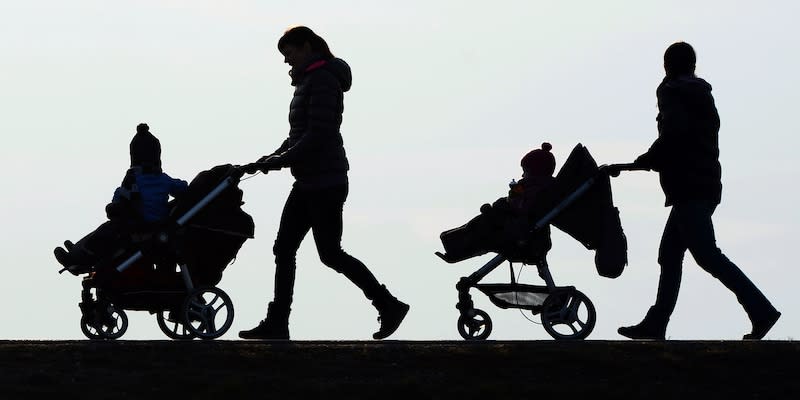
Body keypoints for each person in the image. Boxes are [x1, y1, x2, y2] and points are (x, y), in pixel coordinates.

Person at [238, 26, 409, 340]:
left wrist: (280, 160)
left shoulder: (324, 81)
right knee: (284, 248)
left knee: (330, 253)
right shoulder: (308, 82)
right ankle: (278, 322)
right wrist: (270, 158)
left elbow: (319, 134)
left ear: (307, 47)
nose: (287, 61)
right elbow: (298, 135)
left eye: (289, 53)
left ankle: (388, 305)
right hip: (308, 181)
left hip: (326, 182)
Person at [618, 42, 780, 340]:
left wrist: (646, 160)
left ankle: (761, 310)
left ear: (667, 65)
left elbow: (674, 134)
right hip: (704, 182)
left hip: (689, 186)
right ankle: (657, 322)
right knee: (670, 254)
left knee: (706, 255)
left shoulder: (673, 91)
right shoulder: (701, 93)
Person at [54, 123, 188, 273]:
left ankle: (80, 256)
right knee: (107, 230)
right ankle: (81, 251)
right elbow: (182, 188)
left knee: (105, 230)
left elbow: (118, 199)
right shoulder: (164, 179)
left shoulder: (132, 179)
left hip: (137, 227)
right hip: (157, 225)